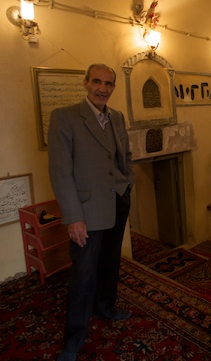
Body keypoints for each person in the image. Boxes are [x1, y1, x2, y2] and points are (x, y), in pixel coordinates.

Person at [48, 63, 135, 361]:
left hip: (117, 202)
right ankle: (74, 339)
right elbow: (60, 171)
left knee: (110, 262)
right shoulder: (65, 117)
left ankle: (106, 307)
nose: (102, 89)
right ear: (85, 83)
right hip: (86, 211)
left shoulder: (118, 117)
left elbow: (126, 155)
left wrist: (128, 185)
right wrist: (73, 216)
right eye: (96, 82)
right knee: (83, 273)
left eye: (108, 84)